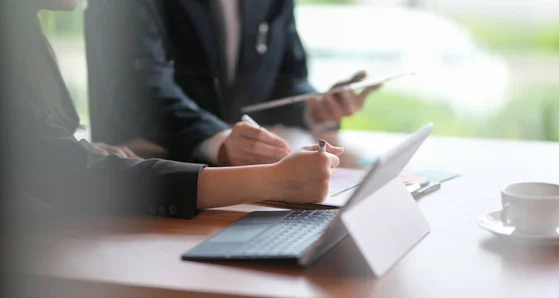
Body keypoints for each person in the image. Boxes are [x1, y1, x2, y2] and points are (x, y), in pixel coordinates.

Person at [1, 0, 343, 220]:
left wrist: (77, 152)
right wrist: (273, 180)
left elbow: (44, 148)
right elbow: (65, 170)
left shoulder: (23, 32)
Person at [85, 0, 379, 166]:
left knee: (355, 168)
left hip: (239, 167)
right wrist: (219, 141)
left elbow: (287, 77)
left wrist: (315, 109)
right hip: (148, 164)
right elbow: (139, 91)